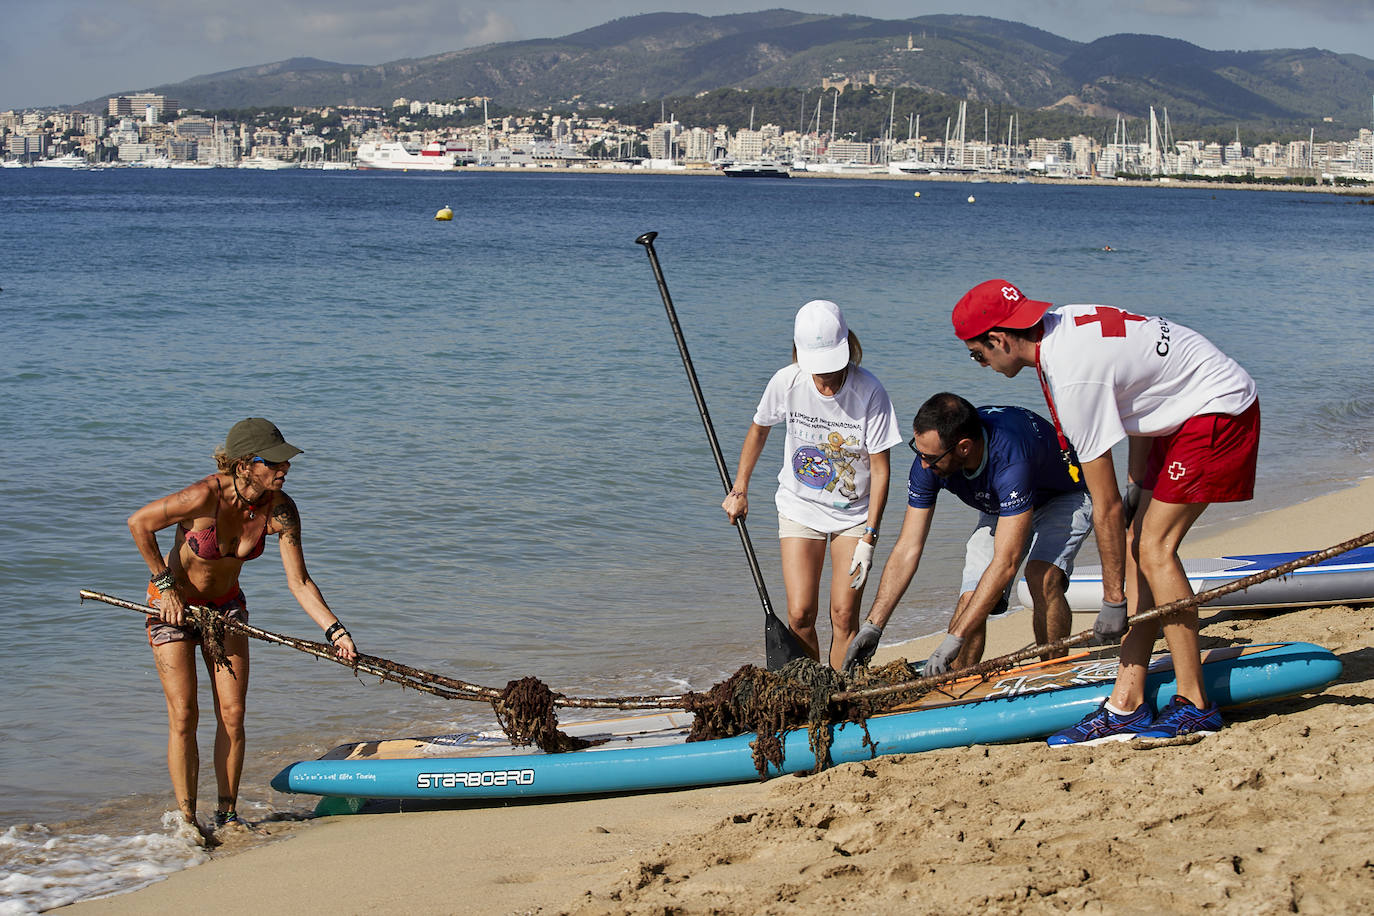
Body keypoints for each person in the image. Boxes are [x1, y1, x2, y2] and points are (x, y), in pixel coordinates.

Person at [953, 279, 1259, 744]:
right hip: (1178, 411)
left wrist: (1114, 599)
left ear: (999, 340)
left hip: (1217, 408)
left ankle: (1195, 703)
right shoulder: (1061, 329)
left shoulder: (1072, 375)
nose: (982, 365)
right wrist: (1140, 481)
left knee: (1154, 549)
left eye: (977, 355)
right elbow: (1136, 394)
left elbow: (1106, 505)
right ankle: (1127, 702)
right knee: (1141, 544)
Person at [127, 418, 358, 840]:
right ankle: (188, 822)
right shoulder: (202, 496)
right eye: (274, 462)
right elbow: (139, 524)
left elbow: (300, 581)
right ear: (245, 464)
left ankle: (228, 816)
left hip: (227, 610)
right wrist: (166, 588)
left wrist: (335, 630)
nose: (284, 469)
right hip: (173, 610)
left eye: (285, 461)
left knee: (232, 715)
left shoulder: (280, 508)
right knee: (184, 715)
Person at [843, 393, 1093, 676]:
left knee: (1042, 576)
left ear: (963, 447)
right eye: (919, 452)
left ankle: (1053, 673)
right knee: (970, 599)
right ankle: (961, 683)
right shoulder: (930, 460)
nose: (923, 465)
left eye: (930, 457)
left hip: (1062, 496)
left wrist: (953, 637)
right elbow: (908, 548)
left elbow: (1006, 562)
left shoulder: (1010, 458)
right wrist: (873, 626)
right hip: (1000, 505)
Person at [723, 300, 904, 669]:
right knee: (800, 614)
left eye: (833, 366)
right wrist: (740, 488)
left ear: (848, 347)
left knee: (843, 615)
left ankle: (843, 694)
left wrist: (870, 534)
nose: (825, 377)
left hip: (853, 515)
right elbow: (759, 429)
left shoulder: (870, 392)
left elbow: (882, 469)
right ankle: (812, 694)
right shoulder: (786, 381)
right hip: (798, 506)